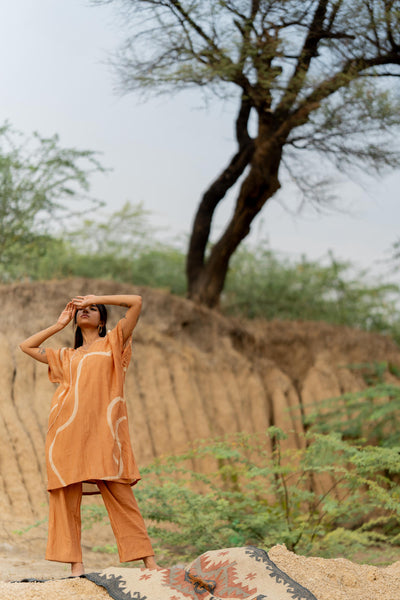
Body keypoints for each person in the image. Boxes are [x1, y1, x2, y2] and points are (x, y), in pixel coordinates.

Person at [19, 293, 158, 576]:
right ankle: (76, 567)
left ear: (102, 319)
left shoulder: (114, 342)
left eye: (92, 309)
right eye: (81, 309)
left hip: (105, 433)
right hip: (65, 435)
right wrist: (59, 324)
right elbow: (26, 346)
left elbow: (136, 302)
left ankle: (150, 563)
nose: (86, 311)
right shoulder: (65, 356)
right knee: (66, 497)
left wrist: (98, 296)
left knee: (121, 494)